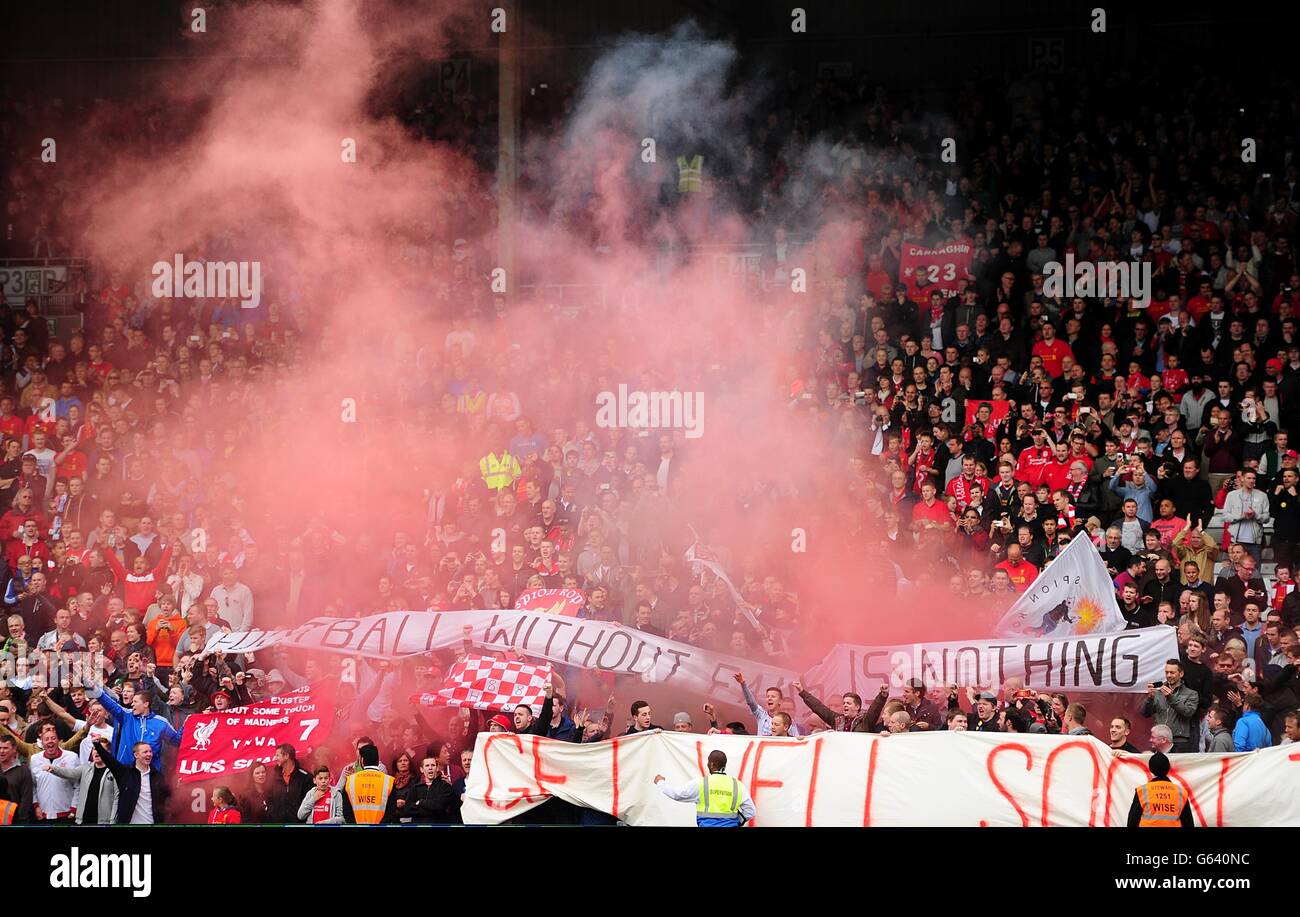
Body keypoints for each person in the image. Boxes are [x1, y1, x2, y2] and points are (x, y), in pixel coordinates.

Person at [653, 749, 756, 827]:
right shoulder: (738, 785)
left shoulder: (702, 783)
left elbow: (677, 794)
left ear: (711, 764)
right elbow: (750, 812)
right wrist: (736, 822)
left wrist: (660, 782)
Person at [92, 736, 169, 824]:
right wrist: (97, 744)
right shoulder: (125, 773)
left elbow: (167, 798)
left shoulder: (157, 776)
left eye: (150, 751)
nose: (149, 754)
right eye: (145, 752)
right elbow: (109, 760)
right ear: (136, 755)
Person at [45, 742, 118, 825]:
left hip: (103, 821)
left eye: (100, 749)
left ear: (108, 752)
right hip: (83, 820)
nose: (96, 752)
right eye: (94, 749)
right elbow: (71, 773)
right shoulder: (86, 767)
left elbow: (117, 797)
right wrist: (54, 769)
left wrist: (113, 820)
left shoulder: (114, 770)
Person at [1141, 660, 1200, 753]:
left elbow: (1188, 712)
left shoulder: (1191, 694)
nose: (1168, 675)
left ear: (1181, 674)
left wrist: (1171, 697)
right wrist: (1150, 698)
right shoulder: (1158, 692)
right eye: (1166, 672)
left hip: (1179, 741)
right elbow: (1145, 713)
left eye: (1172, 672)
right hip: (1159, 740)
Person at [1127, 751, 1195, 828]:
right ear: (1168, 768)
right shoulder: (1181, 792)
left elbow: (1132, 821)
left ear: (1151, 769)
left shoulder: (1142, 791)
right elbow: (1188, 823)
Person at [792, 680, 886, 732]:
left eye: (848, 703)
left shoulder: (865, 721)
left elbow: (875, 709)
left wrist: (882, 695)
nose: (845, 705)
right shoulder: (836, 719)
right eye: (844, 703)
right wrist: (802, 692)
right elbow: (818, 707)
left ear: (857, 707)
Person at [341, 742, 398, 824]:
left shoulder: (350, 780)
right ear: (378, 761)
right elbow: (391, 812)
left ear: (362, 760)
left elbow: (347, 812)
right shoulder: (389, 781)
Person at [733, 672, 800, 736]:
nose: (769, 698)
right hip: (762, 747)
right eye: (767, 696)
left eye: (773, 696)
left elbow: (795, 739)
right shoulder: (761, 715)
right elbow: (751, 702)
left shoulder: (787, 720)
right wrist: (743, 684)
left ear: (780, 701)